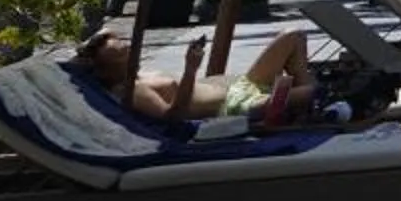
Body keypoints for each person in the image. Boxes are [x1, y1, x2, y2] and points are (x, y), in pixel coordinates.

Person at [73, 28, 322, 126]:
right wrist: (191, 69)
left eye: (128, 49)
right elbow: (172, 117)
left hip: (241, 86)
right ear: (105, 68)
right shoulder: (129, 89)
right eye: (122, 55)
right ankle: (312, 105)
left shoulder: (138, 74)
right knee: (309, 92)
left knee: (294, 37)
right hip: (235, 106)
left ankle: (306, 108)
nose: (131, 54)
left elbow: (106, 33)